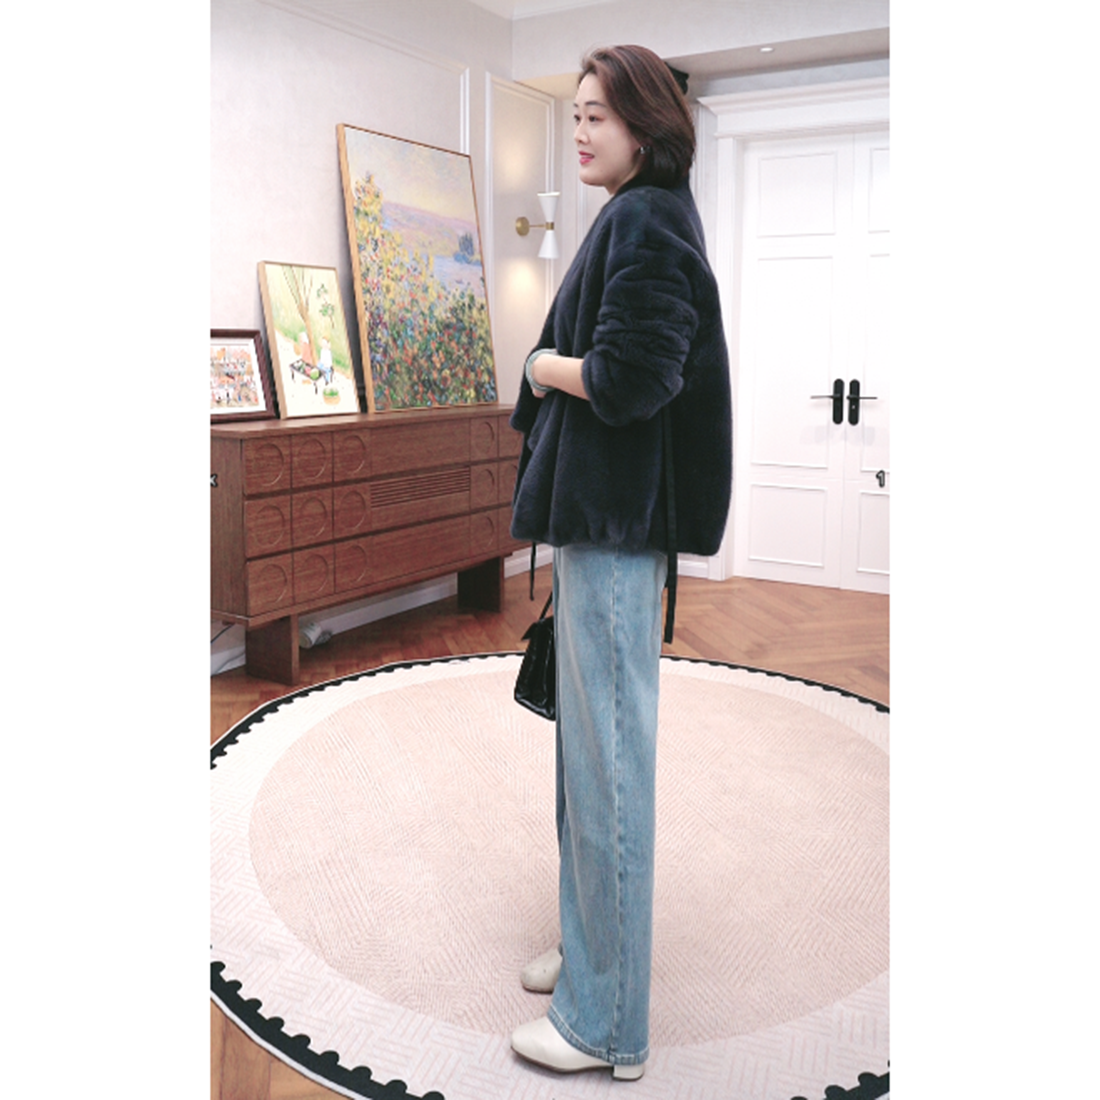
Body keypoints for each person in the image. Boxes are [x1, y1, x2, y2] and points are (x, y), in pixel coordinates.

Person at [508, 45, 732, 1080]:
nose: (581, 130)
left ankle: (605, 1023)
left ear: (646, 123)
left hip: (614, 524)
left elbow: (634, 378)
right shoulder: (640, 212)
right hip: (603, 519)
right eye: (576, 114)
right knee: (585, 765)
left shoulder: (644, 219)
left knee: (607, 773)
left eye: (599, 114)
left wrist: (540, 366)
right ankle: (590, 949)